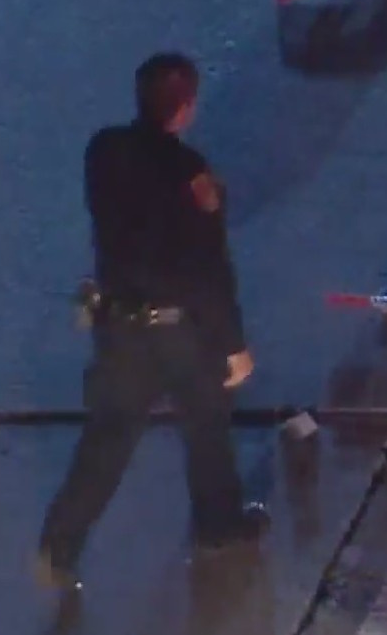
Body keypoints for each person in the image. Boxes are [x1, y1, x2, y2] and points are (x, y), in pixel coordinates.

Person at [36, 52, 267, 591]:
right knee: (207, 424)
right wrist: (233, 343)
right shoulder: (191, 174)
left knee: (107, 440)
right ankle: (219, 528)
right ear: (185, 108)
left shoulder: (104, 151)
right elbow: (208, 267)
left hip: (119, 326)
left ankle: (59, 545)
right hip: (178, 331)